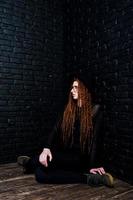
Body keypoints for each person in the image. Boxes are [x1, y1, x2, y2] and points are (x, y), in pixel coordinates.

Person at [17, 77, 114, 187]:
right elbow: (55, 129)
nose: (72, 90)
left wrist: (93, 166)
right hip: (67, 154)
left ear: (85, 90)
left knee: (41, 171)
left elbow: (95, 142)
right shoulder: (69, 109)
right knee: (40, 174)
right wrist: (46, 149)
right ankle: (89, 179)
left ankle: (30, 164)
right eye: (72, 87)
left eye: (76, 87)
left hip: (81, 158)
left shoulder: (95, 111)